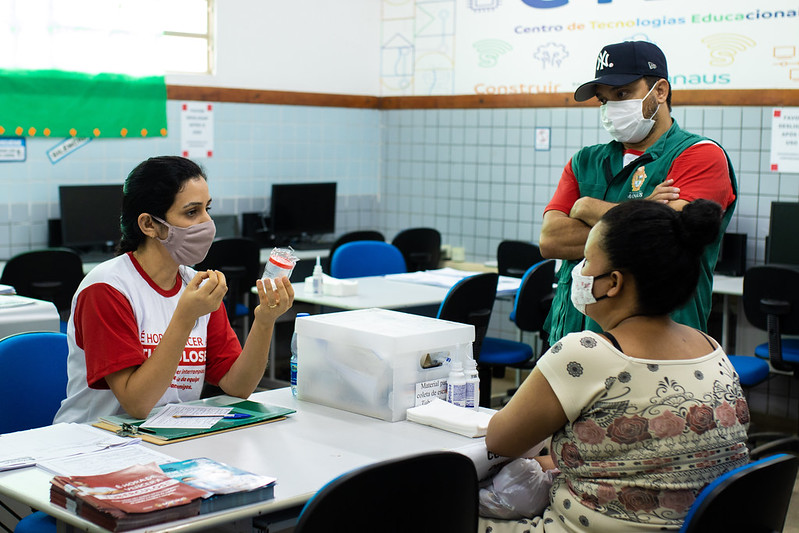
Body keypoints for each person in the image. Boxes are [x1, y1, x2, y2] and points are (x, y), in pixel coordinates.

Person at [479, 199, 750, 533]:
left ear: (614, 283)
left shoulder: (586, 353)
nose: (579, 271)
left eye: (587, 260)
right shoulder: (711, 350)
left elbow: (500, 440)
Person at [54, 156, 293, 423]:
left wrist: (264, 320)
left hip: (167, 436)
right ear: (148, 225)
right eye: (192, 212)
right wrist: (185, 317)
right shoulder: (107, 288)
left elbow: (237, 387)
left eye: (207, 209)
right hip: (93, 442)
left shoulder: (196, 286)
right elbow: (137, 404)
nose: (207, 224)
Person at [539, 40, 737, 345]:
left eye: (622, 94)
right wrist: (645, 208)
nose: (611, 108)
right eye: (604, 100)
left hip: (659, 346)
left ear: (659, 91)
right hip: (572, 339)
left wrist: (587, 207)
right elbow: (551, 240)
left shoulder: (700, 155)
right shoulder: (585, 161)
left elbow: (661, 239)